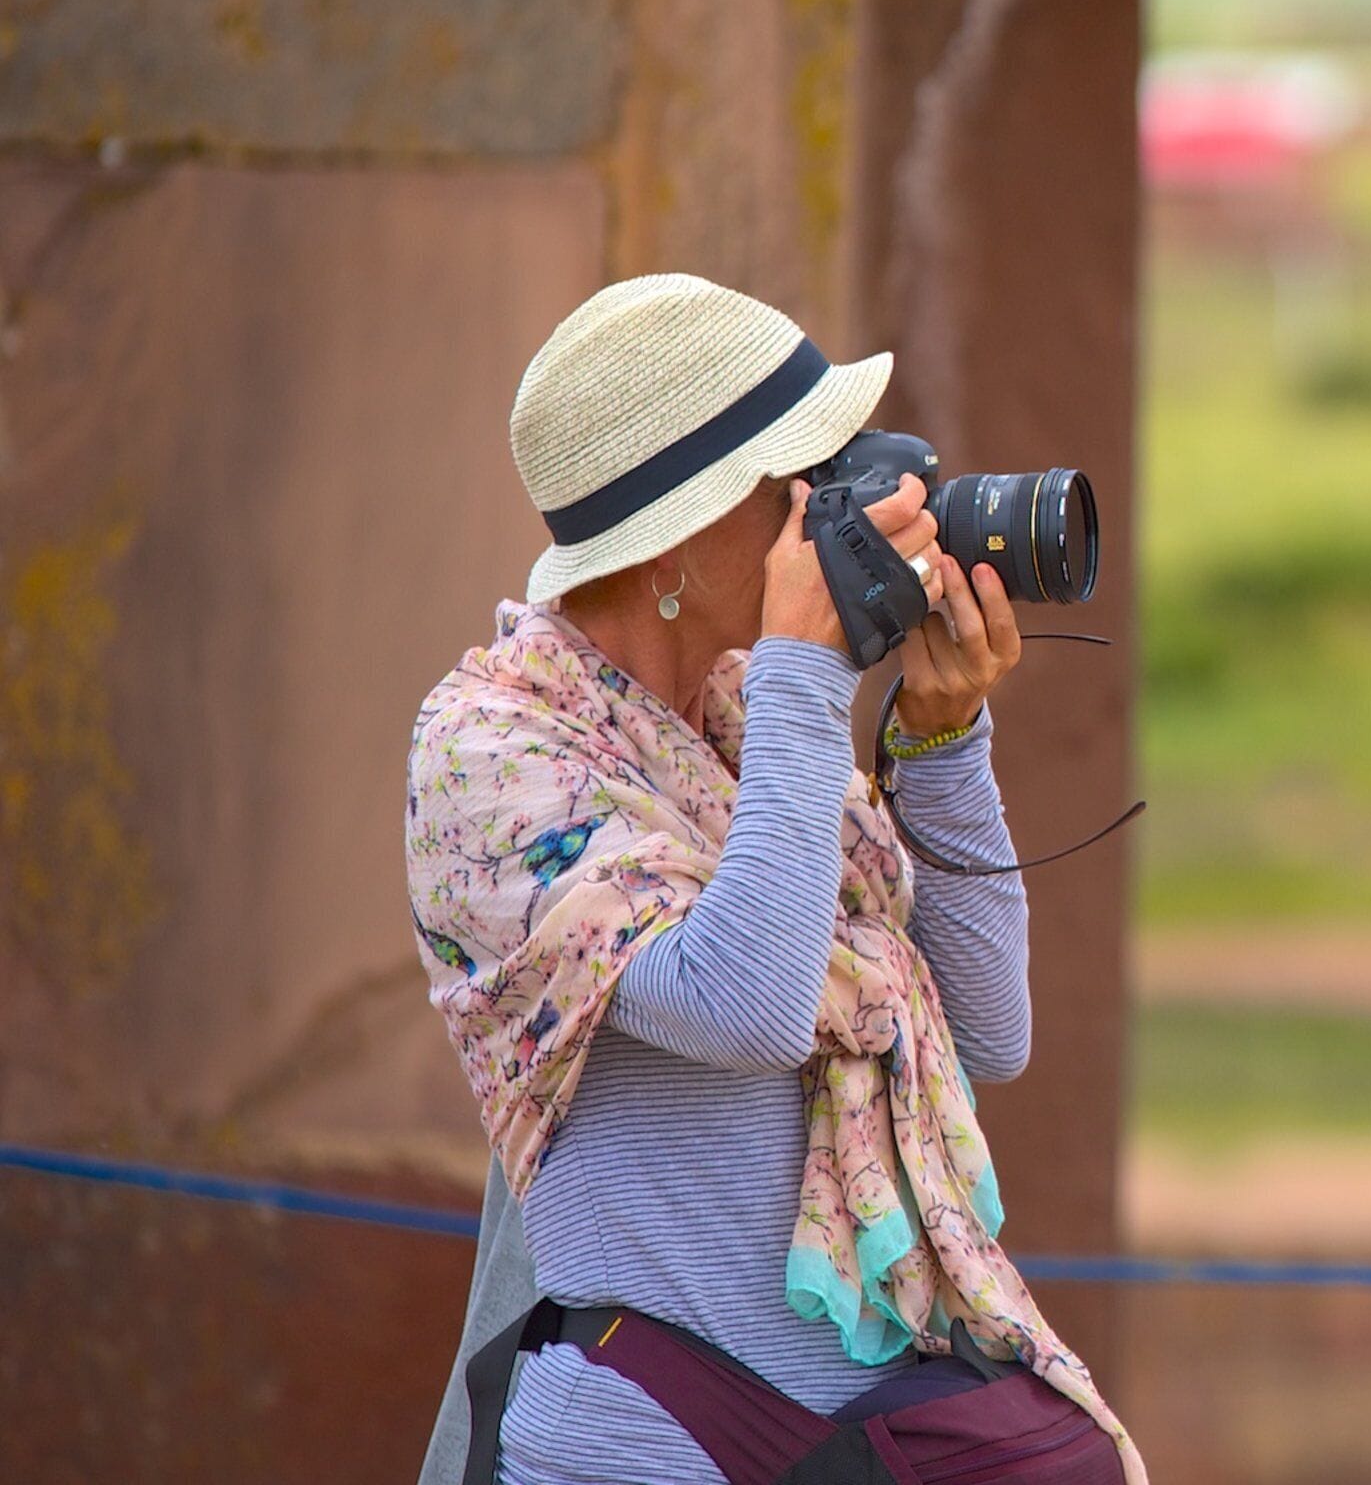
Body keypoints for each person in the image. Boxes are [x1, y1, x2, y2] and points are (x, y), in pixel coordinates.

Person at [404, 275, 1139, 1485]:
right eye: (805, 484)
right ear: (683, 537)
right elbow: (745, 1008)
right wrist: (808, 673)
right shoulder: (491, 750)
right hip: (647, 1449)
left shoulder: (741, 719)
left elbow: (991, 1031)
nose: (849, 510)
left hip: (857, 1443)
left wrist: (942, 742)